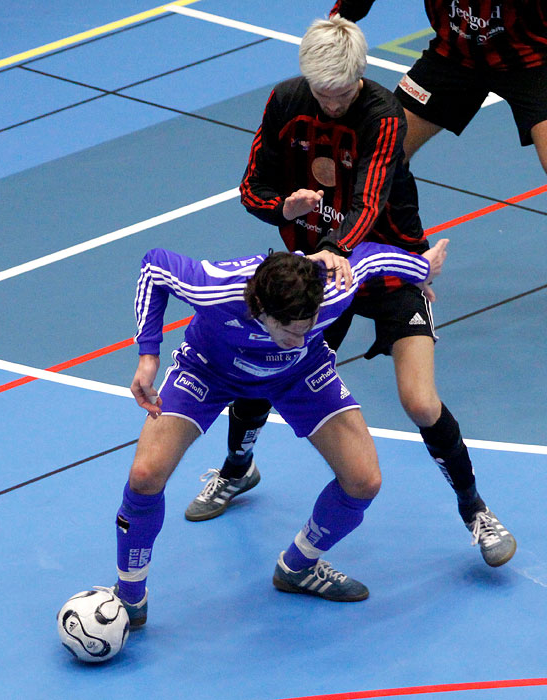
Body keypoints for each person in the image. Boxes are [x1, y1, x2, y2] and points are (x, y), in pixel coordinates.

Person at [184, 15, 517, 570]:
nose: (332, 105)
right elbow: (251, 187)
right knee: (264, 367)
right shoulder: (286, 102)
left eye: (341, 94)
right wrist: (280, 209)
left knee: (419, 400)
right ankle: (237, 469)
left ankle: (475, 510)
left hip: (383, 264)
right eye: (322, 94)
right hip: (317, 267)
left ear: (359, 78)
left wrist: (339, 248)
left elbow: (368, 201)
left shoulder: (382, 115)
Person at [112, 238, 446, 626]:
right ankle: (131, 598)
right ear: (260, 309)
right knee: (144, 475)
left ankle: (298, 567)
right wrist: (148, 354)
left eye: (308, 326)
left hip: (299, 374)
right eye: (289, 329)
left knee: (364, 480)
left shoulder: (331, 290)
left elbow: (373, 258)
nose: (298, 336)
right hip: (209, 370)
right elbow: (155, 265)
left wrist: (423, 269)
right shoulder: (217, 287)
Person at [329, 0, 547, 168]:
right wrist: (339, 21)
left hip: (534, 60)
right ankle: (398, 226)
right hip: (453, 57)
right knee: (378, 153)